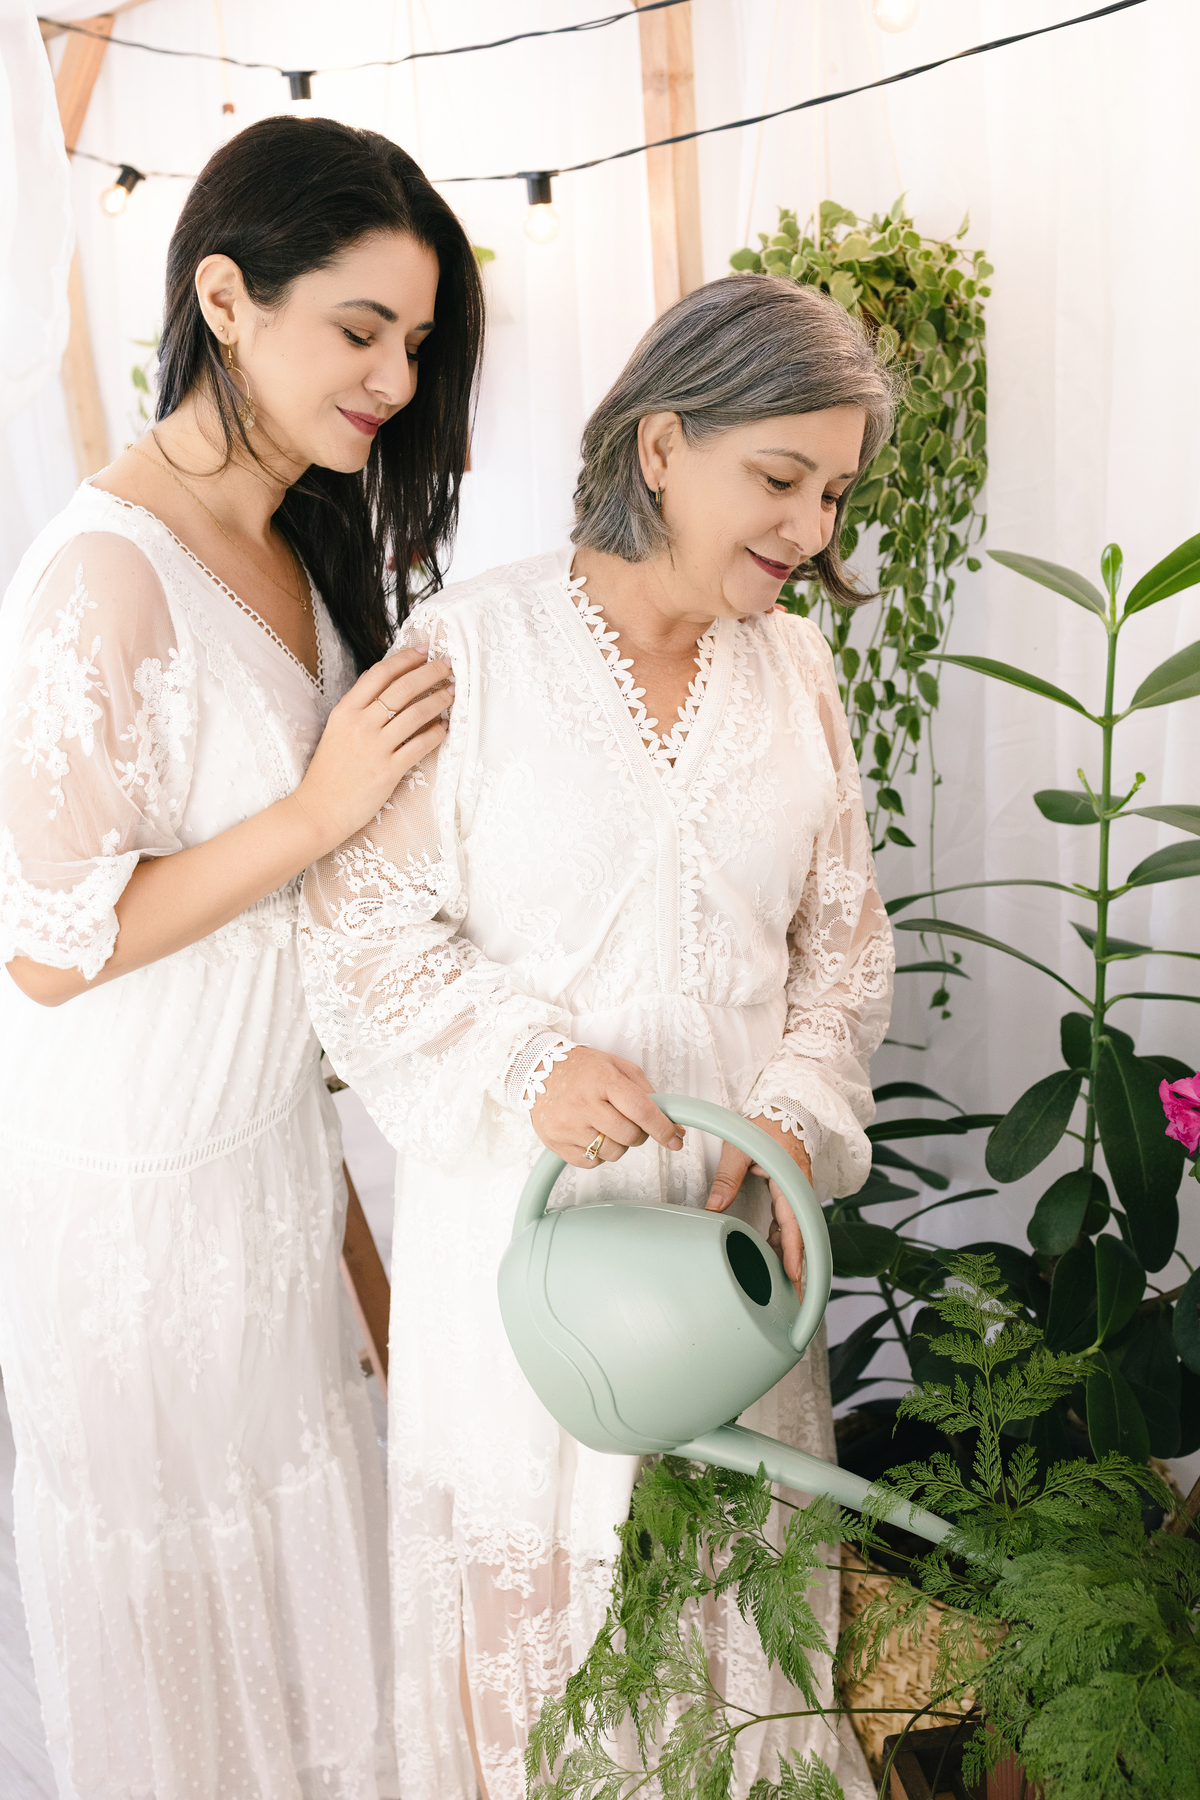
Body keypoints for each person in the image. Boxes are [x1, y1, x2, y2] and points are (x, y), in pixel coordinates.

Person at [299, 273, 895, 1800]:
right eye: (781, 478)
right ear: (658, 446)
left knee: (732, 1656)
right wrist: (526, 1060)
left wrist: (796, 1134)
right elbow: (355, 922)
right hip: (521, 1273)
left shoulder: (801, 674)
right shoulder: (470, 651)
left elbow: (840, 948)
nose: (813, 528)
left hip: (734, 1272)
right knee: (541, 1671)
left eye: (833, 490)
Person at [0, 116, 481, 1800]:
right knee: (194, 1681)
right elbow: (48, 946)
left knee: (320, 1637)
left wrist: (369, 1275)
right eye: (360, 330)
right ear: (224, 294)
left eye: (415, 345)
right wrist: (322, 807)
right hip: (130, 1222)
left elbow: (297, 949)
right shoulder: (101, 576)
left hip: (272, 1178)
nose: (396, 381)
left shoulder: (298, 549)